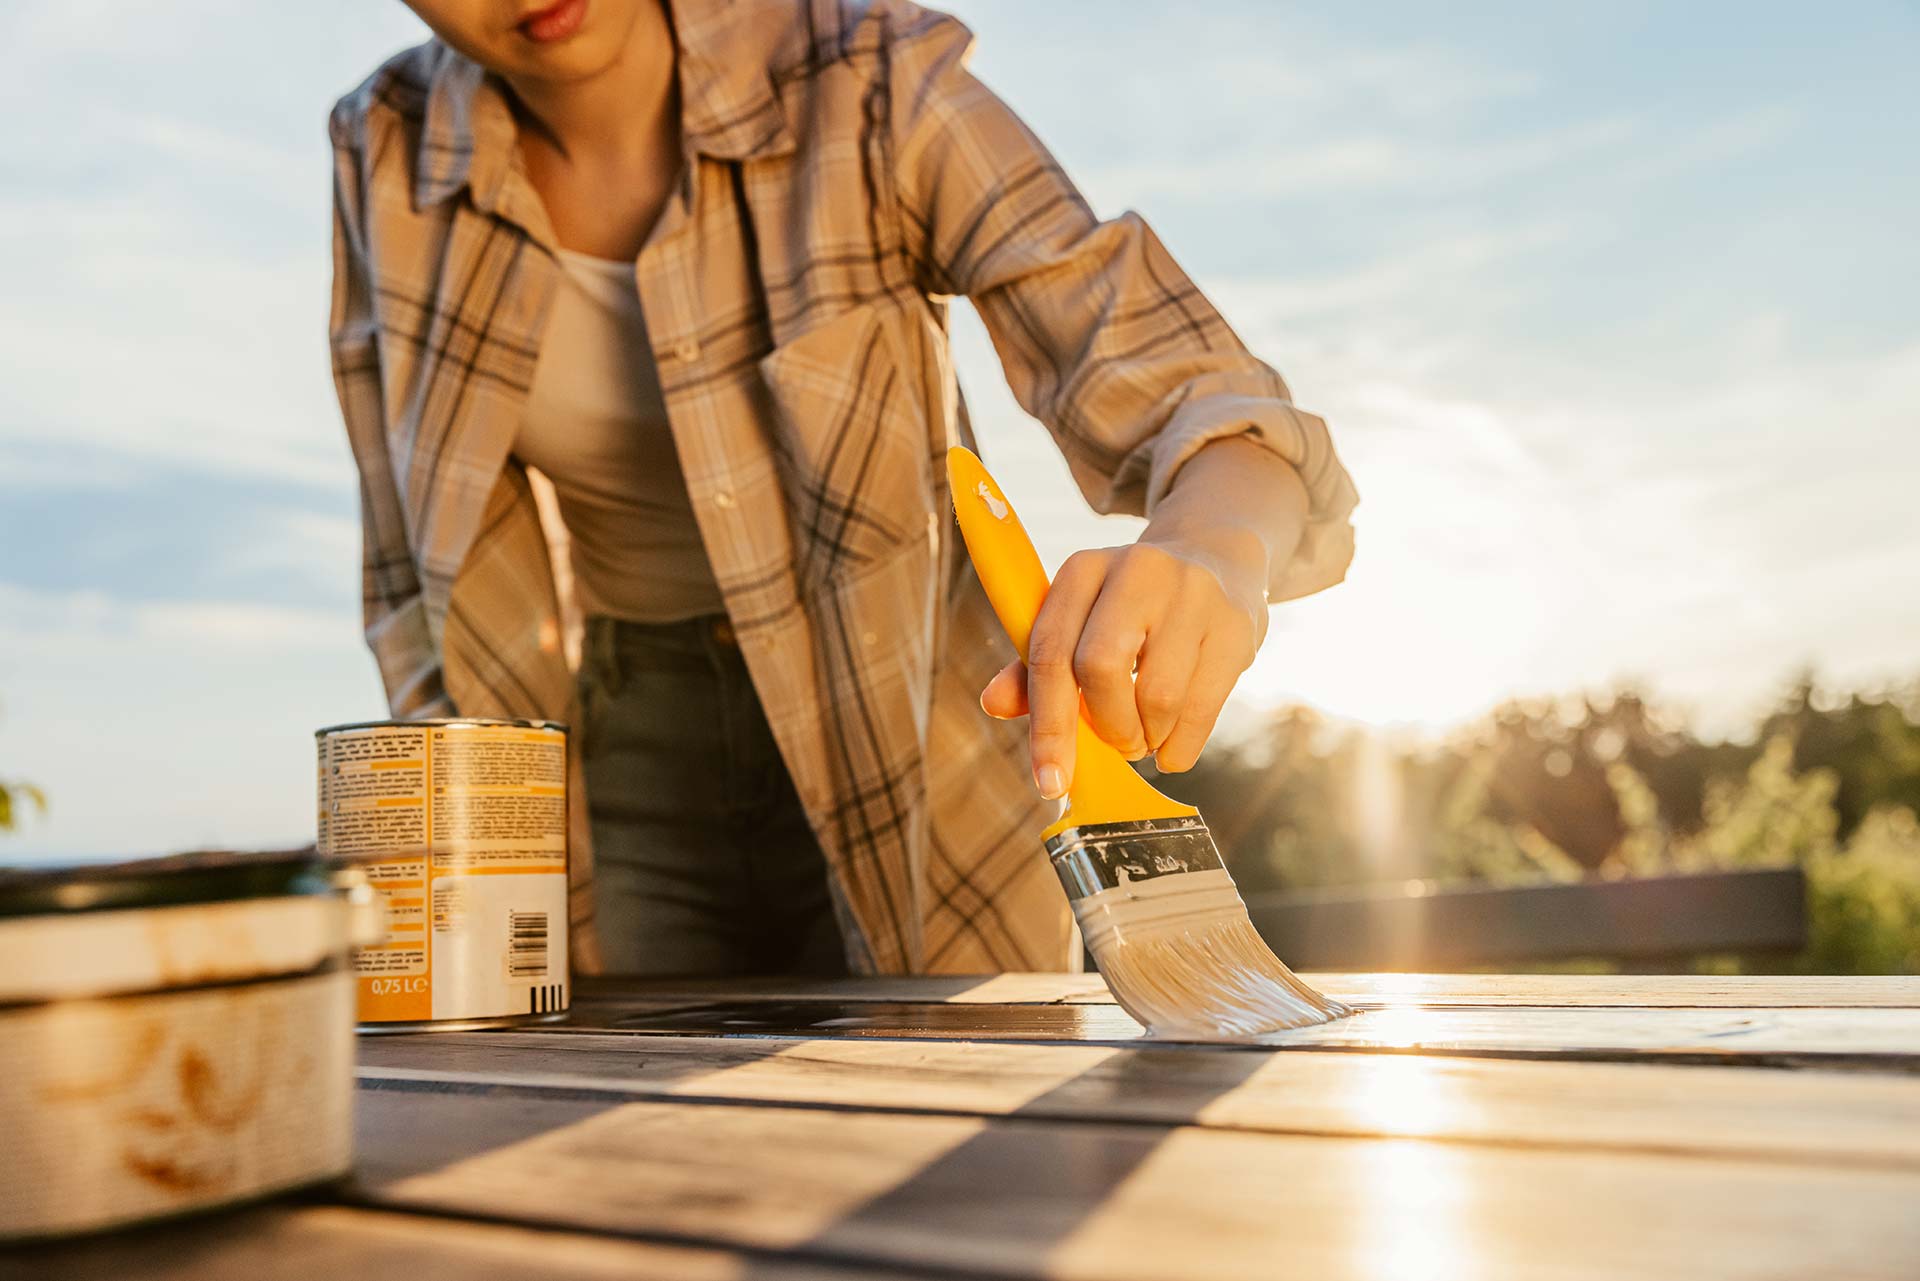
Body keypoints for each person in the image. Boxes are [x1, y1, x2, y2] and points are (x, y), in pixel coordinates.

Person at [328, 0, 1358, 979]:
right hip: (622, 758)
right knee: (620, 1139)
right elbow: (409, 574)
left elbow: (1187, 380)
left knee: (962, 1131)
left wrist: (1216, 547)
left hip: (926, 737)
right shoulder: (383, 150)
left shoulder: (866, 75)